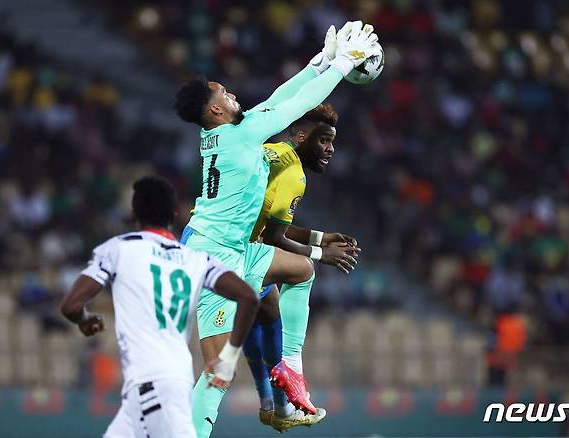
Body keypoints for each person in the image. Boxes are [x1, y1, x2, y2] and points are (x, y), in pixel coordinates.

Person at [174, 20, 378, 437]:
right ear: (215, 110)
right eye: (224, 93)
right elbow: (291, 108)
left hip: (234, 248)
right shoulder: (242, 135)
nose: (233, 94)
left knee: (302, 271)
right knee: (217, 371)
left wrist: (315, 65)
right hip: (212, 257)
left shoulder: (224, 134)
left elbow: (275, 101)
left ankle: (290, 372)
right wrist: (341, 66)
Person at [60, 176, 260, 438]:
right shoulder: (196, 259)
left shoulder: (118, 250)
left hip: (153, 384)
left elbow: (71, 305)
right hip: (157, 385)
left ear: (133, 214)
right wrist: (230, 355)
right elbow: (249, 297)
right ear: (175, 215)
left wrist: (85, 319)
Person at [244, 103, 361, 432]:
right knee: (303, 270)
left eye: (333, 142)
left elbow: (267, 223)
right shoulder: (293, 173)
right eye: (324, 140)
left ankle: (273, 405)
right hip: (237, 252)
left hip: (215, 243)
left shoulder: (270, 152)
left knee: (266, 306)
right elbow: (274, 236)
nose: (330, 149)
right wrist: (323, 254)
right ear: (301, 136)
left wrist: (322, 237)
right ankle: (290, 372)